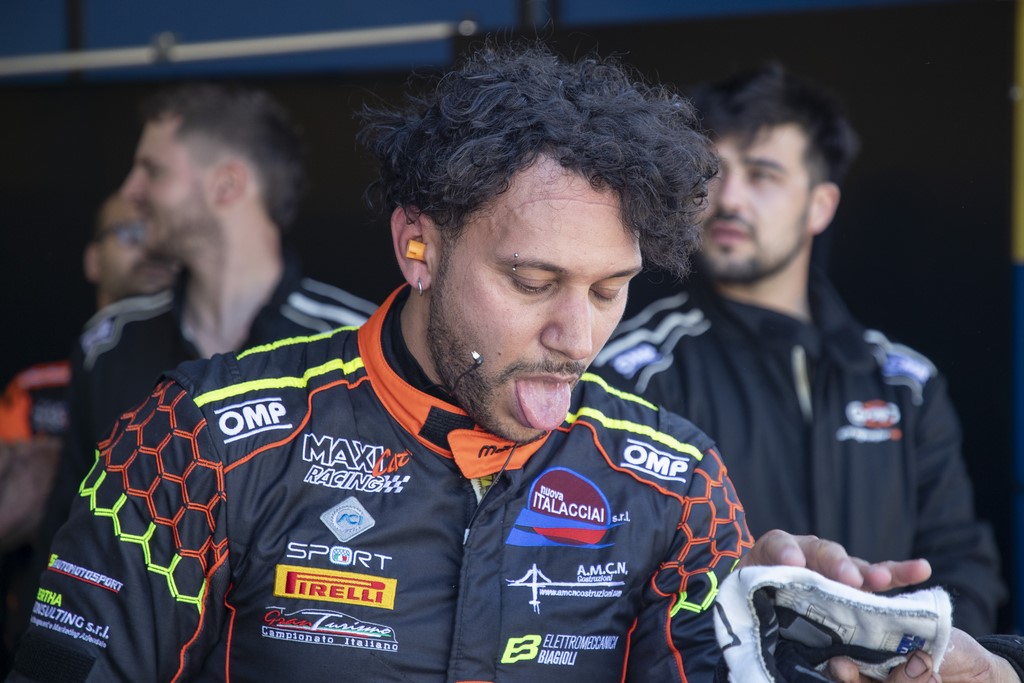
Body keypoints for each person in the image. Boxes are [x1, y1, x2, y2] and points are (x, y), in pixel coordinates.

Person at [6, 42, 933, 683]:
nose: (577, 334)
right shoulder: (205, 440)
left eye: (609, 288)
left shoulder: (672, 481)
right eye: (533, 280)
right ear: (419, 246)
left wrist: (778, 644)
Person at [592, 63, 1004, 637]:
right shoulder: (630, 371)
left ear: (820, 206)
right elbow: (600, 579)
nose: (728, 199)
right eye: (713, 173)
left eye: (762, 174)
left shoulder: (905, 385)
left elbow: (963, 565)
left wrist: (917, 657)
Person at [38, 82, 379, 555]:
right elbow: (69, 543)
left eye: (152, 170)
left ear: (226, 185)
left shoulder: (358, 345)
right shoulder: (109, 343)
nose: (130, 190)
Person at [0, 192, 179, 673]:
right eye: (130, 233)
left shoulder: (200, 385)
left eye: (161, 235)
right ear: (93, 259)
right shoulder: (39, 391)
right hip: (54, 627)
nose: (151, 248)